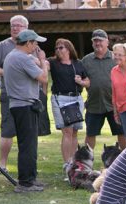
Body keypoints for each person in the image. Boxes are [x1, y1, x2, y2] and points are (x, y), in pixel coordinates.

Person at [3, 30, 48, 193]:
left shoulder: (12, 56)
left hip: (19, 105)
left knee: (28, 144)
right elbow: (44, 78)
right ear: (28, 43)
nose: (36, 46)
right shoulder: (22, 58)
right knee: (28, 145)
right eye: (35, 43)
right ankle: (25, 183)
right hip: (24, 106)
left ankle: (30, 179)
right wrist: (42, 61)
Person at [82, 29, 126, 152]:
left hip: (115, 104)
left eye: (100, 41)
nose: (98, 43)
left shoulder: (116, 58)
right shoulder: (86, 60)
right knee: (90, 134)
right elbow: (82, 79)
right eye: (95, 41)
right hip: (94, 104)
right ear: (92, 43)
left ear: (107, 42)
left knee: (122, 132)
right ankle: (87, 162)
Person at [48, 38, 89, 171]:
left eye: (61, 47)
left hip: (76, 99)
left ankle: (74, 162)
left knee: (75, 131)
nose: (58, 50)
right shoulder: (53, 62)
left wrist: (81, 82)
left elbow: (87, 81)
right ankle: (67, 164)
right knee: (67, 131)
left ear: (69, 49)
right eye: (57, 48)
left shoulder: (78, 63)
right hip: (60, 99)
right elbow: (40, 64)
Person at [0, 15, 29, 172]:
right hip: (8, 94)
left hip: (27, 96)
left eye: (18, 26)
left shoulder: (31, 45)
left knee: (27, 133)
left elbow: (39, 65)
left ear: (26, 28)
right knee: (7, 130)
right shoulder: (2, 46)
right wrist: (11, 71)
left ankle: (26, 165)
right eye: (12, 25)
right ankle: (2, 164)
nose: (15, 28)